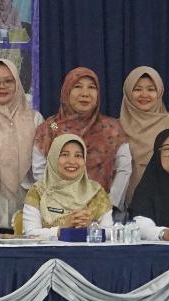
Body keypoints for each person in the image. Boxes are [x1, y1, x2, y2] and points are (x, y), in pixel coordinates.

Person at [32, 67, 132, 213]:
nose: (85, 93)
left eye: (91, 87)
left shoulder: (112, 128)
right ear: (66, 91)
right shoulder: (50, 128)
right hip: (58, 211)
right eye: (78, 86)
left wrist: (106, 205)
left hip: (103, 211)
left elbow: (124, 168)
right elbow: (40, 171)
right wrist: (60, 204)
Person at [0, 58, 43, 233]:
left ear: (17, 84)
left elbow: (41, 167)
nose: (2, 86)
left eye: (8, 81)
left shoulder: (35, 119)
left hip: (26, 201)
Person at [20, 134, 112, 239]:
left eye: (78, 156)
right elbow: (30, 233)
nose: (72, 161)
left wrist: (91, 227)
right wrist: (62, 229)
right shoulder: (38, 191)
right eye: (64, 154)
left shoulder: (96, 192)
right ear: (53, 157)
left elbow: (111, 233)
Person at [118, 66, 169, 207]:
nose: (144, 94)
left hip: (162, 203)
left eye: (151, 89)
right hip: (123, 206)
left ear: (159, 92)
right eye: (137, 89)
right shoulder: (116, 126)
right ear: (128, 92)